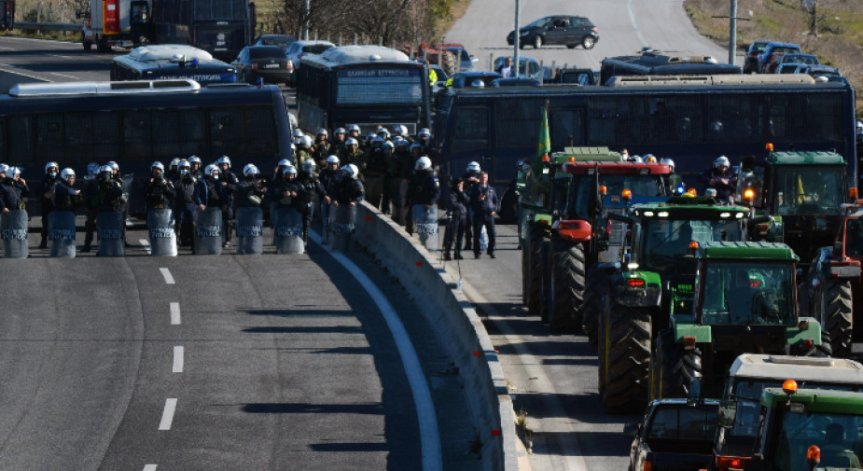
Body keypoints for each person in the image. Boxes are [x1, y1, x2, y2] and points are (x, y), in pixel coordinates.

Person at [407, 156, 440, 238]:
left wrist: (430, 202)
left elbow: (437, 192)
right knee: (410, 219)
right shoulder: (417, 175)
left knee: (426, 224)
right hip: (416, 202)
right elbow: (411, 188)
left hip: (426, 204)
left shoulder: (431, 177)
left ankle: (425, 240)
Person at [469, 171, 498, 258]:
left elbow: (495, 201)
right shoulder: (475, 188)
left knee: (492, 234)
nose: (483, 179)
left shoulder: (491, 189)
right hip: (479, 214)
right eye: (482, 177)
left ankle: (491, 251)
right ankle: (477, 253)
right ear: (479, 178)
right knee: (477, 235)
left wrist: (494, 210)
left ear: (487, 178)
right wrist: (478, 199)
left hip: (489, 214)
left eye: (485, 177)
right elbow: (470, 201)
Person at [297, 159, 324, 243]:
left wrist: (325, 194)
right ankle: (298, 236)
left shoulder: (315, 178)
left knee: (308, 221)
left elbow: (321, 190)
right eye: (307, 167)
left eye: (311, 167)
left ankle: (305, 237)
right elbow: (294, 187)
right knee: (299, 220)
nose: (309, 169)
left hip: (310, 202)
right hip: (300, 202)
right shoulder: (299, 177)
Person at [443, 177, 470, 261]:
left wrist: (461, 192)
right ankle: (447, 252)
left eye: (462, 184)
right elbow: (453, 203)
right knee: (451, 235)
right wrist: (460, 206)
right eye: (460, 184)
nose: (461, 185)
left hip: (462, 216)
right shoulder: (451, 192)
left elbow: (467, 200)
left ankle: (457, 253)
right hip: (454, 216)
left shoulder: (462, 192)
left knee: (460, 236)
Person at [173, 159, 198, 248]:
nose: (185, 169)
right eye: (182, 168)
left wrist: (191, 178)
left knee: (192, 222)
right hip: (179, 203)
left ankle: (193, 242)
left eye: (187, 168)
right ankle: (176, 241)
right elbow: (175, 186)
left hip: (190, 203)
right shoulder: (176, 177)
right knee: (179, 222)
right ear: (179, 168)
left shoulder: (192, 177)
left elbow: (198, 185)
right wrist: (181, 177)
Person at [216, 156, 239, 247]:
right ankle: (218, 239)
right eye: (221, 165)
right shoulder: (216, 174)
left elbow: (236, 187)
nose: (222, 166)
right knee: (217, 220)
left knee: (228, 220)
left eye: (224, 165)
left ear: (228, 165)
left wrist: (227, 185)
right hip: (218, 200)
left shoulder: (231, 175)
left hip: (228, 201)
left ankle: (227, 240)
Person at [319, 155, 342, 243]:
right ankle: (325, 238)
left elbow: (341, 188)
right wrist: (325, 195)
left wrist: (336, 199)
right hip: (326, 200)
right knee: (326, 220)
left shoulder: (341, 174)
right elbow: (320, 185)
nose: (333, 166)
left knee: (336, 221)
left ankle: (335, 240)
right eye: (331, 164)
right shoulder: (323, 173)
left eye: (335, 164)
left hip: (337, 201)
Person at [39, 161, 60, 249]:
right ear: (47, 171)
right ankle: (43, 242)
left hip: (58, 207)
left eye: (54, 170)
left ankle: (57, 243)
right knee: (46, 226)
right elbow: (44, 194)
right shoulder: (44, 181)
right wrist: (51, 192)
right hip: (47, 206)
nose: (53, 172)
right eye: (50, 170)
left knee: (58, 226)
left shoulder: (60, 180)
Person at [81, 164, 101, 252]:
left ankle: (89, 245)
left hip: (95, 206)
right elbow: (85, 194)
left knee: (92, 226)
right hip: (93, 207)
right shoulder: (89, 181)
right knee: (90, 226)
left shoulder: (92, 181)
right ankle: (88, 245)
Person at [462, 161, 482, 251]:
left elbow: (486, 188)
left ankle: (478, 244)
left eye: (475, 172)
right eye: (471, 172)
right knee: (467, 225)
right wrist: (467, 181)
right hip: (467, 204)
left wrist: (477, 182)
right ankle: (468, 243)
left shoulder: (481, 178)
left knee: (478, 226)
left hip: (477, 205)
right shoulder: (464, 178)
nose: (473, 174)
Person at [364, 140, 389, 210]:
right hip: (369, 177)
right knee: (368, 196)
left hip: (380, 177)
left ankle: (376, 210)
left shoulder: (383, 153)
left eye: (379, 143)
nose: (377, 145)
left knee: (377, 196)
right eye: (375, 143)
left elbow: (387, 164)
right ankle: (367, 213)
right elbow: (365, 162)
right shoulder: (369, 152)